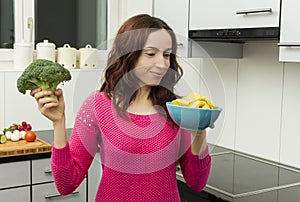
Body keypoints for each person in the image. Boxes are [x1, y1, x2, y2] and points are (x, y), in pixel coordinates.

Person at [31, 14, 212, 202]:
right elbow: (67, 184)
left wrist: (200, 132)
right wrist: (58, 123)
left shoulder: (177, 109)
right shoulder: (97, 106)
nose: (162, 64)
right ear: (128, 55)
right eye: (151, 54)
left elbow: (196, 182)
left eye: (167, 55)